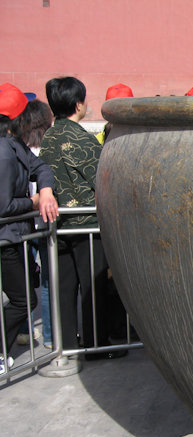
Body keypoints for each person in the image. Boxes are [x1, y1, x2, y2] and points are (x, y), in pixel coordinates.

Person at [40, 77, 126, 360]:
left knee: (64, 290)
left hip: (57, 224)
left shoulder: (49, 138)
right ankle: (95, 344)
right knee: (92, 288)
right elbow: (102, 178)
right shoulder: (80, 139)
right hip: (86, 224)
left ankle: (66, 345)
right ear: (78, 104)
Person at [0, 83, 58, 372]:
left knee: (23, 297)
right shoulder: (4, 152)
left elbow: (41, 167)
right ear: (18, 119)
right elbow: (2, 207)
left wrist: (45, 190)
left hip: (15, 235)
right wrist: (33, 201)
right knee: (24, 301)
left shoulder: (14, 144)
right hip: (7, 239)